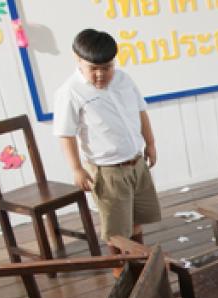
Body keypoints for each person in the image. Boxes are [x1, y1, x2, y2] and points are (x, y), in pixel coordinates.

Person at [54, 29, 160, 262]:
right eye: (94, 69)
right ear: (77, 59)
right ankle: (120, 269)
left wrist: (150, 143)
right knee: (115, 228)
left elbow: (141, 111)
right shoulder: (70, 91)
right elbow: (66, 134)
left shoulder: (124, 80)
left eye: (107, 67)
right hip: (108, 169)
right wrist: (76, 169)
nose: (101, 75)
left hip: (135, 161)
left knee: (136, 218)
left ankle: (139, 262)